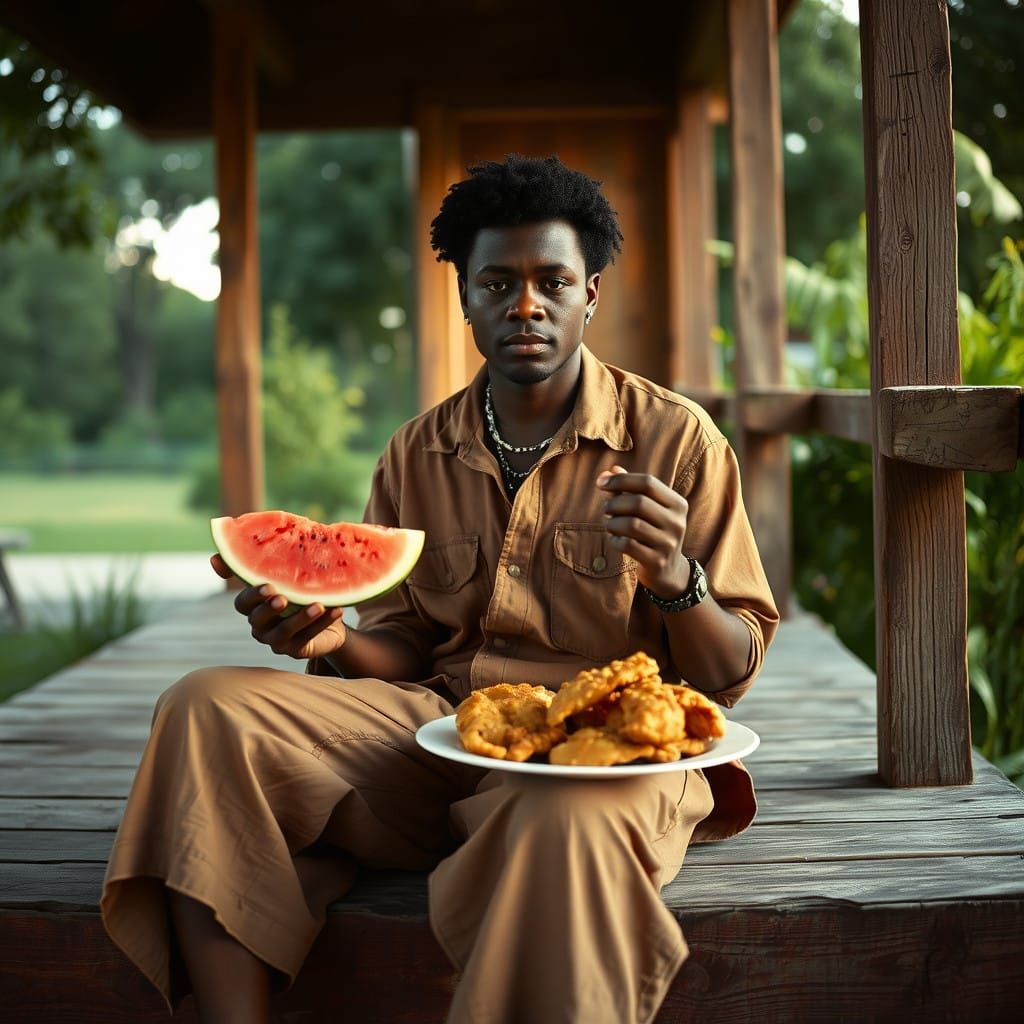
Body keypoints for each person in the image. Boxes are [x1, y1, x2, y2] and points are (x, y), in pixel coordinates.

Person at [100, 153, 779, 1024]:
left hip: (601, 760)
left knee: (564, 820)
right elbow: (404, 647)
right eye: (497, 282)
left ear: (590, 294)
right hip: (436, 735)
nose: (524, 304)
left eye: (551, 282)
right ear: (465, 297)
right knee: (202, 706)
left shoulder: (678, 443)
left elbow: (728, 676)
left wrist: (680, 582)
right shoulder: (414, 452)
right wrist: (333, 640)